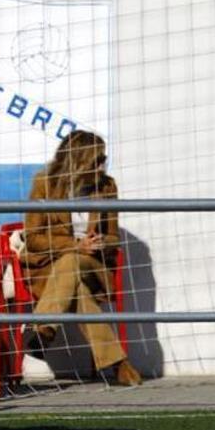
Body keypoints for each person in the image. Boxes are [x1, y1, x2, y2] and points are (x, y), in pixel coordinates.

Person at [21, 130, 141, 386]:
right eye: (98, 159)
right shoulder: (45, 184)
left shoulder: (107, 186)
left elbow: (112, 237)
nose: (103, 164)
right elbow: (32, 238)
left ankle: (42, 329)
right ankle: (117, 363)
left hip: (93, 265)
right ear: (79, 160)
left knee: (73, 264)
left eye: (104, 158)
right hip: (49, 268)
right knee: (75, 279)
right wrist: (76, 245)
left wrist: (98, 244)